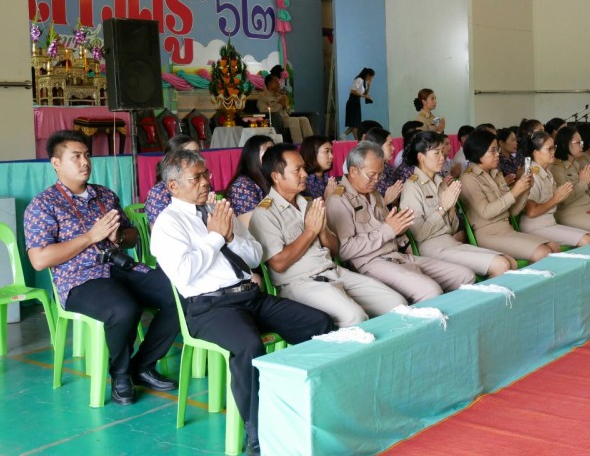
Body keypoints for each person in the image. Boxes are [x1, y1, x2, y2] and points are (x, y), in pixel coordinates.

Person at [151, 149, 333, 456]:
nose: (206, 182)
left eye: (206, 174)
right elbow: (184, 273)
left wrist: (231, 237)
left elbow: (254, 256)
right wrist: (215, 237)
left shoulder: (219, 210)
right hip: (210, 307)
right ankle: (257, 433)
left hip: (249, 295)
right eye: (196, 178)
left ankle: (312, 404)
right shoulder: (168, 224)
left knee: (320, 322)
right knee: (249, 346)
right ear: (173, 186)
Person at [24, 130, 178, 406]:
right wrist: (90, 237)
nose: (85, 162)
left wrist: (118, 237)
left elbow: (131, 237)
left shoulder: (105, 195)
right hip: (79, 279)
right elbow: (40, 259)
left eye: (87, 155)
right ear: (56, 163)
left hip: (121, 267)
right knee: (124, 309)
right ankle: (120, 375)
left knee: (182, 293)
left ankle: (142, 365)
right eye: (75, 157)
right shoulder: (43, 205)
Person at [249, 144, 406, 327]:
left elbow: (334, 250)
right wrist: (310, 231)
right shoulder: (264, 213)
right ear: (276, 176)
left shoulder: (308, 204)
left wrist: (322, 230)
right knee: (355, 317)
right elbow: (279, 264)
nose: (304, 174)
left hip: (333, 271)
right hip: (300, 283)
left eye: (304, 168)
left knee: (397, 303)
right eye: (297, 170)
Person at [326, 141, 474, 304]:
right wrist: (388, 230)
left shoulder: (374, 194)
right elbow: (344, 250)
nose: (376, 180)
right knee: (430, 290)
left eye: (380, 174)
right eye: (372, 175)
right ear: (354, 171)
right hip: (370, 263)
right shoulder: (339, 200)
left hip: (397, 256)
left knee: (464, 276)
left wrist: (401, 228)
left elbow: (391, 230)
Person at [399, 131, 512, 277]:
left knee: (509, 261)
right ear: (421, 157)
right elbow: (419, 235)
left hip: (450, 242)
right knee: (501, 265)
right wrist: (443, 208)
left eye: (442, 152)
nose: (442, 157)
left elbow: (452, 229)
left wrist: (451, 210)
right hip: (431, 248)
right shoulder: (412, 187)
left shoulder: (441, 183)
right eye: (436, 153)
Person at [459, 130, 558, 263]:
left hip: (507, 230)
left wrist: (525, 189)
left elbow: (512, 211)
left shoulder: (496, 174)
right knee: (543, 252)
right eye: (493, 151)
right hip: (489, 235)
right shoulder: (469, 177)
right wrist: (514, 192)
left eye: (497, 150)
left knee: (553, 246)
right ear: (478, 151)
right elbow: (486, 212)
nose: (497, 154)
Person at [517, 131, 590, 247]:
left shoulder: (546, 172)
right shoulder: (531, 174)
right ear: (536, 153)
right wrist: (556, 199)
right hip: (535, 226)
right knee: (587, 240)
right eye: (549, 149)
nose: (553, 152)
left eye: (553, 147)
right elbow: (531, 211)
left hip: (549, 222)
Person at [144, 134, 201, 226]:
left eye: (198, 153)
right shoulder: (159, 192)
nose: (198, 158)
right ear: (174, 159)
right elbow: (159, 231)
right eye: (191, 154)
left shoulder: (202, 184)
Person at [225, 135, 274, 228]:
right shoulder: (242, 186)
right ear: (253, 157)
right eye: (268, 153)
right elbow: (250, 228)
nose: (274, 157)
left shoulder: (271, 177)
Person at [256, 73, 313, 144]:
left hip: (286, 118)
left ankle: (311, 143)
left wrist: (285, 106)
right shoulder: (263, 97)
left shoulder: (280, 96)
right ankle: (298, 144)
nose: (279, 84)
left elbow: (288, 111)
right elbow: (263, 110)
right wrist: (280, 104)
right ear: (270, 84)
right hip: (276, 120)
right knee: (294, 120)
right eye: (276, 82)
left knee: (304, 119)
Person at [364, 127, 404, 205]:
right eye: (389, 144)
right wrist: (386, 201)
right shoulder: (366, 173)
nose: (393, 148)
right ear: (377, 146)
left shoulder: (388, 168)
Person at [342, 68, 375, 140]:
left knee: (355, 123)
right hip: (352, 102)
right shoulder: (359, 79)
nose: (372, 78)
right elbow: (353, 91)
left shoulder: (364, 82)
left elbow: (365, 94)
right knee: (355, 124)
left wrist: (369, 86)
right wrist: (364, 96)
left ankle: (343, 135)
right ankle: (357, 140)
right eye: (372, 77)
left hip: (357, 103)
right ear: (368, 75)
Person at [300, 135, 337, 200]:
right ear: (312, 153)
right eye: (327, 151)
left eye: (331, 152)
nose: (331, 156)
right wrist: (327, 198)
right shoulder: (304, 182)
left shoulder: (327, 178)